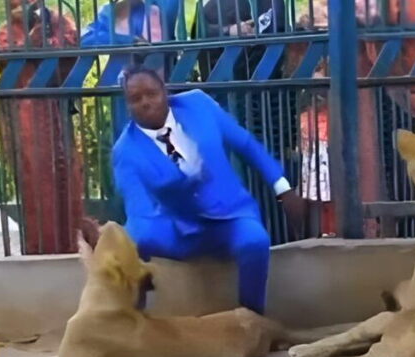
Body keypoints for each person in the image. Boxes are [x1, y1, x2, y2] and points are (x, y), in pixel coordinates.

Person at [112, 66, 306, 314]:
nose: (146, 103)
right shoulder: (126, 150)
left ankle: (253, 319)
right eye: (136, 99)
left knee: (255, 241)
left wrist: (283, 188)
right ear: (128, 106)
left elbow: (245, 144)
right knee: (133, 238)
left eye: (151, 93)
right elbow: (137, 206)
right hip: (175, 230)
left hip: (228, 218)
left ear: (165, 91)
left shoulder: (199, 105)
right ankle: (133, 319)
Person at [0, 0, 84, 254]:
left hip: (60, 111)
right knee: (37, 181)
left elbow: (74, 57)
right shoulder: (7, 30)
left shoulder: (61, 23)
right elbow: (6, 66)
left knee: (69, 177)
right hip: (27, 117)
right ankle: (42, 249)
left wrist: (48, 36)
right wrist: (29, 44)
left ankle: (73, 246)